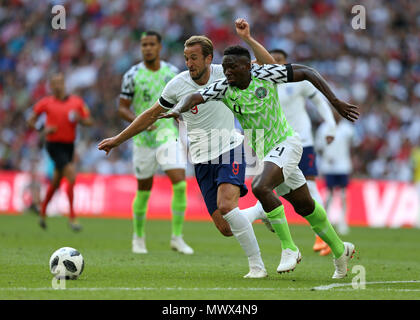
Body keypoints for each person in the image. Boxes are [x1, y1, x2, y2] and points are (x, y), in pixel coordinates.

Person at [160, 45, 359, 279]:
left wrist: (335, 102)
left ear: (247, 66)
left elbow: (307, 72)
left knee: (260, 187)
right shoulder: (224, 88)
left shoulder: (265, 75)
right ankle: (340, 250)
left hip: (288, 143)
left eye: (232, 67)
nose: (227, 72)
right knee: (306, 206)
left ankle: (289, 248)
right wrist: (177, 109)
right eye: (225, 68)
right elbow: (194, 97)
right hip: (268, 154)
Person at [99, 19, 275, 278]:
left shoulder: (225, 73)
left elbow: (270, 67)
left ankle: (257, 267)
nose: (189, 63)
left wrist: (248, 39)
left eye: (194, 58)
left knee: (227, 206)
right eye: (186, 58)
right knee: (226, 227)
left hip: (230, 148)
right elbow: (150, 114)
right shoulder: (178, 85)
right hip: (201, 158)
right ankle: (261, 209)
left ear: (208, 59)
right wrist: (118, 139)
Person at [119, 31, 192, 255]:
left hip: (166, 134)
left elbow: (184, 101)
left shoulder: (172, 73)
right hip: (142, 140)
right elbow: (122, 107)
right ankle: (138, 238)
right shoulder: (132, 75)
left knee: (180, 184)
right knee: (143, 191)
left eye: (151, 44)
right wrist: (139, 122)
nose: (147, 48)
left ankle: (177, 238)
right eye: (144, 45)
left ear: (160, 47)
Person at [270, 49, 336, 256]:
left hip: (303, 140)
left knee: (310, 184)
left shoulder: (297, 80)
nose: (276, 64)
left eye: (280, 61)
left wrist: (331, 124)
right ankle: (267, 217)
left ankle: (322, 235)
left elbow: (318, 100)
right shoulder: (264, 83)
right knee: (270, 186)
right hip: (277, 143)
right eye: (272, 61)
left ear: (286, 62)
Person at [28, 72, 93, 231]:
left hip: (69, 146)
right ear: (51, 86)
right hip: (53, 145)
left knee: (56, 182)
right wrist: (43, 129)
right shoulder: (46, 103)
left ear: (64, 84)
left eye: (60, 82)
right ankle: (72, 219)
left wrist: (80, 119)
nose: (57, 85)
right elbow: (30, 121)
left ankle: (42, 213)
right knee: (71, 176)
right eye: (54, 83)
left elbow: (89, 121)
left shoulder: (77, 102)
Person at [315, 111, 356, 235]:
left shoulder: (347, 129)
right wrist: (326, 157)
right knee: (329, 195)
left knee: (343, 195)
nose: (336, 115)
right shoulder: (324, 128)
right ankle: (325, 221)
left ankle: (343, 221)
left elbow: (353, 145)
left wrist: (350, 159)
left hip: (343, 166)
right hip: (329, 166)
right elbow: (319, 147)